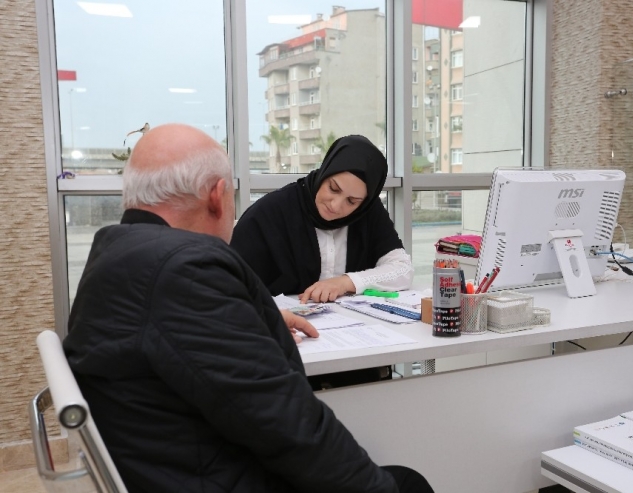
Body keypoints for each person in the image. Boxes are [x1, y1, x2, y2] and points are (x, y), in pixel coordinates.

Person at [63, 124, 433, 493]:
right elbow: (287, 424)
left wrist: (256, 316)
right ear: (217, 195)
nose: (337, 205)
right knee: (407, 484)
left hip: (160, 457)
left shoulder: (115, 251)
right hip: (206, 470)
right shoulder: (187, 273)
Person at [231, 135, 413, 304]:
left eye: (351, 201)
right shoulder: (271, 213)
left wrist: (345, 282)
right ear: (324, 173)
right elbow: (232, 286)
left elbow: (403, 269)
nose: (335, 206)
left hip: (352, 327)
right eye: (333, 188)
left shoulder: (368, 213)